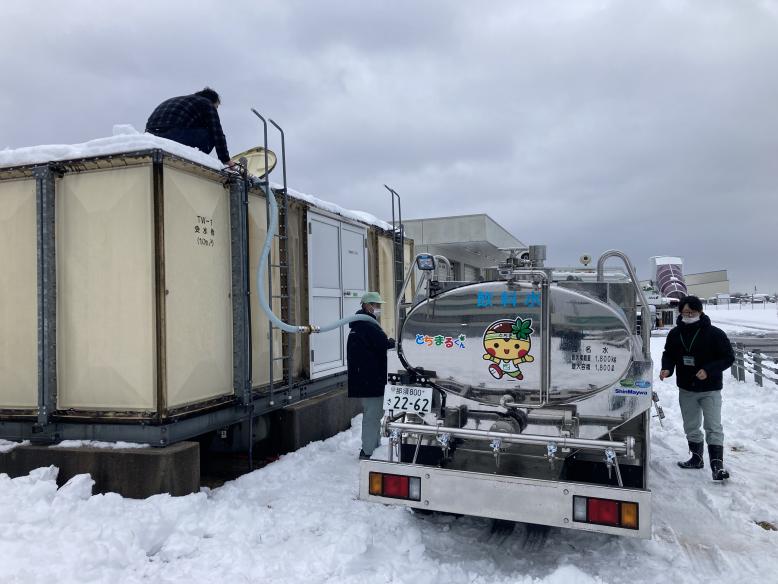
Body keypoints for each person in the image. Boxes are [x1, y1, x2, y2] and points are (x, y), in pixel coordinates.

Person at [660, 295, 734, 480]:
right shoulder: (675, 334)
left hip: (710, 388)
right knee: (691, 425)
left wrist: (708, 370)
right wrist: (667, 368)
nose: (688, 315)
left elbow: (728, 357)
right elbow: (669, 354)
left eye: (691, 312)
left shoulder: (715, 333)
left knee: (713, 426)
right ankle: (696, 457)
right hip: (686, 388)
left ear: (700, 312)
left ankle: (717, 465)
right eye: (685, 312)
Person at [347, 292, 395, 460]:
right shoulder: (367, 326)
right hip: (371, 380)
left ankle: (373, 447)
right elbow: (382, 344)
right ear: (368, 306)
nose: (379, 308)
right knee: (372, 415)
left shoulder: (360, 325)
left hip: (367, 379)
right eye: (377, 305)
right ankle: (367, 451)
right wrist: (392, 343)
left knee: (373, 414)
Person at [146, 87, 232, 165]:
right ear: (212, 101)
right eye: (216, 107)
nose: (216, 110)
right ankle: (195, 159)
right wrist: (226, 160)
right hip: (173, 134)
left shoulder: (178, 100)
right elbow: (217, 133)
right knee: (211, 133)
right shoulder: (207, 103)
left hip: (150, 137)